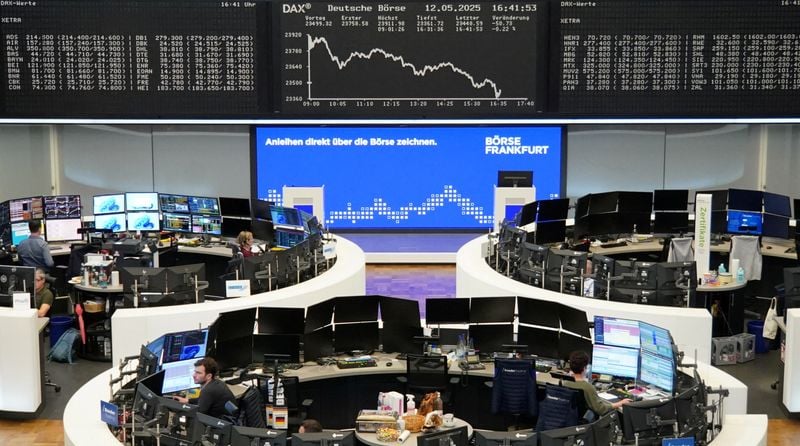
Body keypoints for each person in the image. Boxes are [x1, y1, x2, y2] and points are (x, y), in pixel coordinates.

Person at [564, 350, 631, 415]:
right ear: (585, 368)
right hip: (586, 420)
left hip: (571, 417)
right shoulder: (587, 387)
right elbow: (601, 409)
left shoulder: (566, 382)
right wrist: (619, 403)